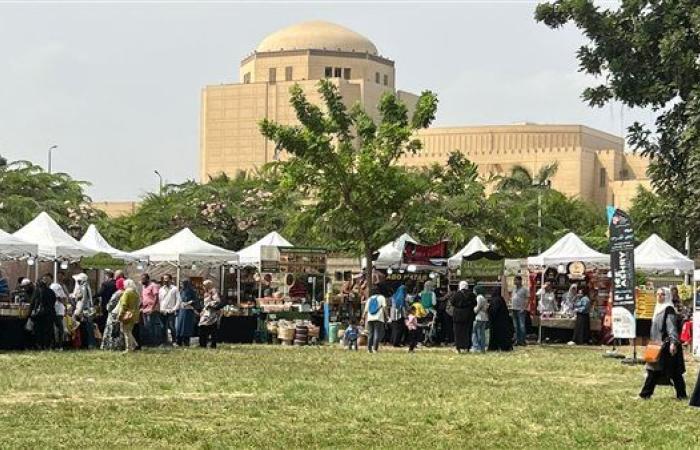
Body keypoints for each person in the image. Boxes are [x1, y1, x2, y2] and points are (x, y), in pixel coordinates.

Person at [640, 288, 687, 400]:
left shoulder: (669, 309)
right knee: (655, 371)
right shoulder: (658, 309)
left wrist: (673, 343)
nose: (659, 296)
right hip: (658, 345)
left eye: (662, 294)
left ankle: (646, 394)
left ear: (667, 296)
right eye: (658, 294)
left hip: (667, 346)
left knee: (670, 372)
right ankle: (646, 394)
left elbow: (672, 328)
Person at [30, 276, 56, 350]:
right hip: (50, 313)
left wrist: (30, 313)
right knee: (48, 330)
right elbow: (53, 301)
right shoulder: (51, 291)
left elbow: (33, 303)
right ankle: (48, 345)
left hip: (40, 314)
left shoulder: (38, 291)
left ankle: (40, 345)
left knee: (39, 330)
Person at [450, 281, 477, 353]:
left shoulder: (456, 294)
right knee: (468, 331)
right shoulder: (472, 294)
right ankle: (467, 347)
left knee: (458, 332)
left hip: (458, 316)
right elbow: (475, 303)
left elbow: (452, 302)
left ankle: (458, 347)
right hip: (468, 315)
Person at [72, 273, 96, 349]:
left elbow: (83, 300)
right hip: (87, 310)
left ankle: (89, 344)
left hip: (84, 310)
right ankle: (89, 344)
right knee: (88, 328)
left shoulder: (83, 287)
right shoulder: (86, 286)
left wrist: (78, 312)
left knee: (87, 328)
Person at [101, 278, 125, 351]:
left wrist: (107, 307)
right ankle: (119, 345)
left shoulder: (118, 293)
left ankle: (111, 346)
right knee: (119, 330)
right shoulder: (125, 292)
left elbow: (111, 303)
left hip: (113, 313)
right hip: (120, 313)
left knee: (112, 330)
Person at [118, 279, 141, 353]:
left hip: (127, 314)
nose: (123, 286)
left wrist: (120, 314)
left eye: (124, 284)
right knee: (129, 331)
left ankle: (129, 348)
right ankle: (134, 344)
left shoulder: (127, 292)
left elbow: (124, 304)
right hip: (135, 314)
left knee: (126, 331)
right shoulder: (135, 293)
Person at [362, 287, 387, 353]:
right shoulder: (382, 297)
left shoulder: (369, 299)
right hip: (378, 318)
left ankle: (369, 349)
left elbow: (365, 310)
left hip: (370, 318)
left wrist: (362, 318)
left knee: (370, 334)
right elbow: (384, 307)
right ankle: (375, 349)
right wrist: (387, 316)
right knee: (377, 333)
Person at [488, 287, 514, 352]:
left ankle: (494, 347)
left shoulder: (495, 300)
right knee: (504, 335)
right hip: (503, 321)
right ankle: (506, 347)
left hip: (496, 322)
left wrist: (489, 312)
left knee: (495, 335)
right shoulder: (501, 299)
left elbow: (494, 310)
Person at [198, 280, 222, 348]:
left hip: (211, 313)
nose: (203, 287)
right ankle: (203, 344)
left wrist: (209, 304)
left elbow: (217, 301)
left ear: (208, 285)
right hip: (206, 313)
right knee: (203, 328)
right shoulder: (206, 293)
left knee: (211, 329)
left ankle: (211, 344)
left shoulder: (213, 292)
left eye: (204, 285)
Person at [139, 273, 161, 347]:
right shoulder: (143, 287)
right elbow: (143, 298)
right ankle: (148, 342)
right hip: (145, 309)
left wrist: (152, 308)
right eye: (141, 279)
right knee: (146, 327)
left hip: (152, 309)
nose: (142, 281)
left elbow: (156, 297)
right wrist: (140, 307)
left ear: (148, 279)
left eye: (143, 279)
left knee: (151, 326)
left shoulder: (153, 285)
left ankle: (154, 343)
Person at [158, 274, 181, 345]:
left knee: (172, 327)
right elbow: (160, 300)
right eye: (164, 279)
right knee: (162, 327)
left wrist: (174, 309)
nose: (165, 280)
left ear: (171, 280)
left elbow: (179, 300)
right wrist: (160, 309)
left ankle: (174, 341)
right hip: (162, 311)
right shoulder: (161, 289)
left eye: (167, 279)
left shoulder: (174, 289)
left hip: (171, 311)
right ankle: (164, 342)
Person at [175, 279, 197, 347]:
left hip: (188, 311)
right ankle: (179, 342)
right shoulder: (181, 291)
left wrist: (189, 302)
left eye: (183, 283)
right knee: (179, 326)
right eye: (181, 284)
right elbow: (178, 299)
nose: (182, 285)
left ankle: (186, 342)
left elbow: (195, 299)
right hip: (181, 310)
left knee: (186, 327)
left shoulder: (192, 291)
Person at [511, 276, 529, 346]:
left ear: (520, 281)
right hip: (514, 309)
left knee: (521, 326)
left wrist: (524, 308)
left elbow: (528, 299)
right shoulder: (514, 289)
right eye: (514, 280)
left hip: (521, 310)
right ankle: (517, 341)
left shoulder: (525, 289)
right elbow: (512, 298)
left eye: (516, 280)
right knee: (515, 326)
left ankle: (522, 341)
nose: (514, 282)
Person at [50, 282, 68, 349]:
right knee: (59, 329)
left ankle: (57, 344)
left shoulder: (54, 287)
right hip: (58, 311)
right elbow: (64, 299)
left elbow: (63, 299)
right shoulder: (57, 288)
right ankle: (59, 344)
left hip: (57, 311)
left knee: (58, 329)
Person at [472, 284, 489, 353]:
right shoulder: (484, 297)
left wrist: (474, 309)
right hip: (484, 317)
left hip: (479, 317)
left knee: (473, 331)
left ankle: (475, 347)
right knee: (482, 334)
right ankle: (482, 348)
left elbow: (478, 307)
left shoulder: (479, 297)